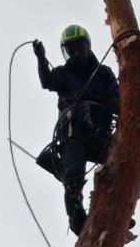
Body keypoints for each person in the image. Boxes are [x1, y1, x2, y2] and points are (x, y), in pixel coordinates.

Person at [33, 24, 119, 234]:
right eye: (70, 50)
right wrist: (41, 59)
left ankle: (118, 212)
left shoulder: (103, 73)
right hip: (74, 135)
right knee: (73, 179)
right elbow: (47, 82)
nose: (75, 53)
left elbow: (118, 100)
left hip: (99, 134)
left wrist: (114, 104)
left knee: (120, 165)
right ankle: (77, 218)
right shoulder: (63, 74)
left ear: (87, 46)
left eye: (79, 48)